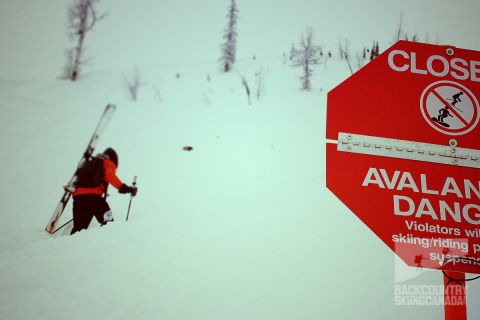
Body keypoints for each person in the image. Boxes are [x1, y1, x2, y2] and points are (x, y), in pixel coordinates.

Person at [70, 147, 137, 235]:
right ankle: (109, 240)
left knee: (79, 229)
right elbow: (111, 177)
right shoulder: (106, 163)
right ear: (113, 159)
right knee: (108, 220)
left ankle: (68, 246)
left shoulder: (90, 162)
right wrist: (126, 188)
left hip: (78, 198)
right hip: (94, 199)